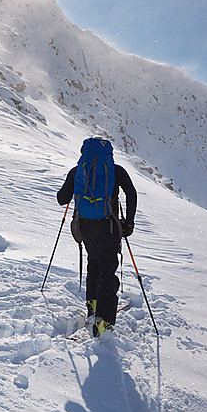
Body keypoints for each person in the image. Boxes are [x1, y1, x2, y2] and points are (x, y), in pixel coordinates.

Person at [57, 137, 137, 336]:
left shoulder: (78, 172)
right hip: (108, 227)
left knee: (93, 262)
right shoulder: (115, 171)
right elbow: (132, 193)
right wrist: (128, 222)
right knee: (108, 270)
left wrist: (77, 188)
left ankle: (92, 304)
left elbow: (61, 199)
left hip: (84, 227)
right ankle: (104, 320)